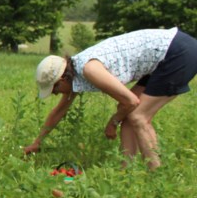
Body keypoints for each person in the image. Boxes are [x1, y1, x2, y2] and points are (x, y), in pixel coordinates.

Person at [25, 27, 197, 169]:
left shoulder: (90, 70)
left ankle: (156, 174)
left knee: (138, 117)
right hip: (166, 55)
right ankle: (125, 173)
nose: (56, 94)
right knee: (130, 117)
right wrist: (37, 142)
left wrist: (112, 123)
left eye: (54, 89)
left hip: (176, 52)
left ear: (62, 79)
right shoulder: (75, 72)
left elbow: (130, 101)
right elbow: (59, 111)